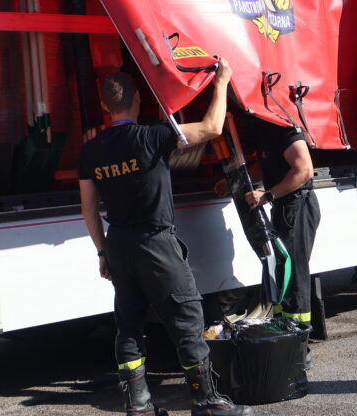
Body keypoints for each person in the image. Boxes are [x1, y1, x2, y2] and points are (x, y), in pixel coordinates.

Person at [79, 59, 253, 416]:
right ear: (138, 99)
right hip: (156, 243)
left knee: (128, 325)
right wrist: (220, 83)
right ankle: (207, 402)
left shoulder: (91, 150)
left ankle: (138, 405)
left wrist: (102, 252)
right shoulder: (151, 136)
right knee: (187, 318)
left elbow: (88, 208)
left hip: (119, 245)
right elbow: (212, 126)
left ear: (103, 106)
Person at [215, 115, 320, 346]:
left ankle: (298, 344)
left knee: (294, 276)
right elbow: (266, 166)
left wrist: (267, 195)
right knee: (283, 272)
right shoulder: (264, 130)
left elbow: (304, 170)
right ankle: (286, 335)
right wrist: (233, 182)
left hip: (298, 205)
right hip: (285, 207)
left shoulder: (283, 127)